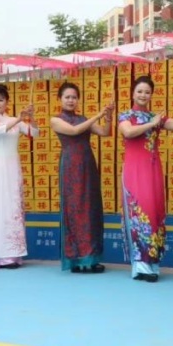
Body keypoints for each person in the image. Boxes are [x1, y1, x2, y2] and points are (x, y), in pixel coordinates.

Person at [117, 75, 173, 282]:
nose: (143, 95)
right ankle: (140, 266)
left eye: (147, 92)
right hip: (134, 170)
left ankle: (152, 263)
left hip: (153, 169)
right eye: (139, 91)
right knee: (140, 212)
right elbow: (128, 133)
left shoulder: (155, 117)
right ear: (132, 93)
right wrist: (151, 124)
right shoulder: (126, 116)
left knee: (155, 211)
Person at [50, 82, 112, 274]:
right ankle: (76, 259)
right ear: (60, 99)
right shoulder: (56, 120)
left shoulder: (83, 118)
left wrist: (108, 117)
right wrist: (98, 115)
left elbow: (105, 132)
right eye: (67, 97)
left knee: (90, 208)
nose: (71, 100)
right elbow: (74, 131)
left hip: (87, 163)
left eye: (74, 97)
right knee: (74, 208)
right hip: (71, 166)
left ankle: (91, 258)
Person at [0, 85, 37, 270]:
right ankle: (0, 256)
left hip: (13, 169)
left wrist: (31, 117)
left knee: (13, 209)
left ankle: (14, 255)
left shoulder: (14, 120)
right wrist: (19, 118)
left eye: (1, 99)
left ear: (7, 102)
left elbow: (34, 133)